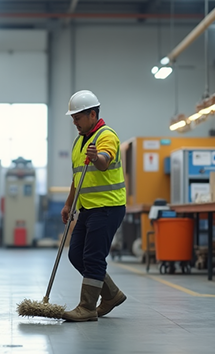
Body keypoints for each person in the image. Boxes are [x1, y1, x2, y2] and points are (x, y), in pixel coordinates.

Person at [60, 90, 127, 322]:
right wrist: (69, 204)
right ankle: (112, 294)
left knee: (93, 257)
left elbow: (104, 162)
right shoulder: (79, 142)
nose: (74, 122)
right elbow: (77, 178)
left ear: (92, 114)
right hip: (88, 208)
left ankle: (87, 307)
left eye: (77, 117)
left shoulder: (106, 135)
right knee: (76, 255)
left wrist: (97, 156)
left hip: (108, 207)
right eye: (73, 118)